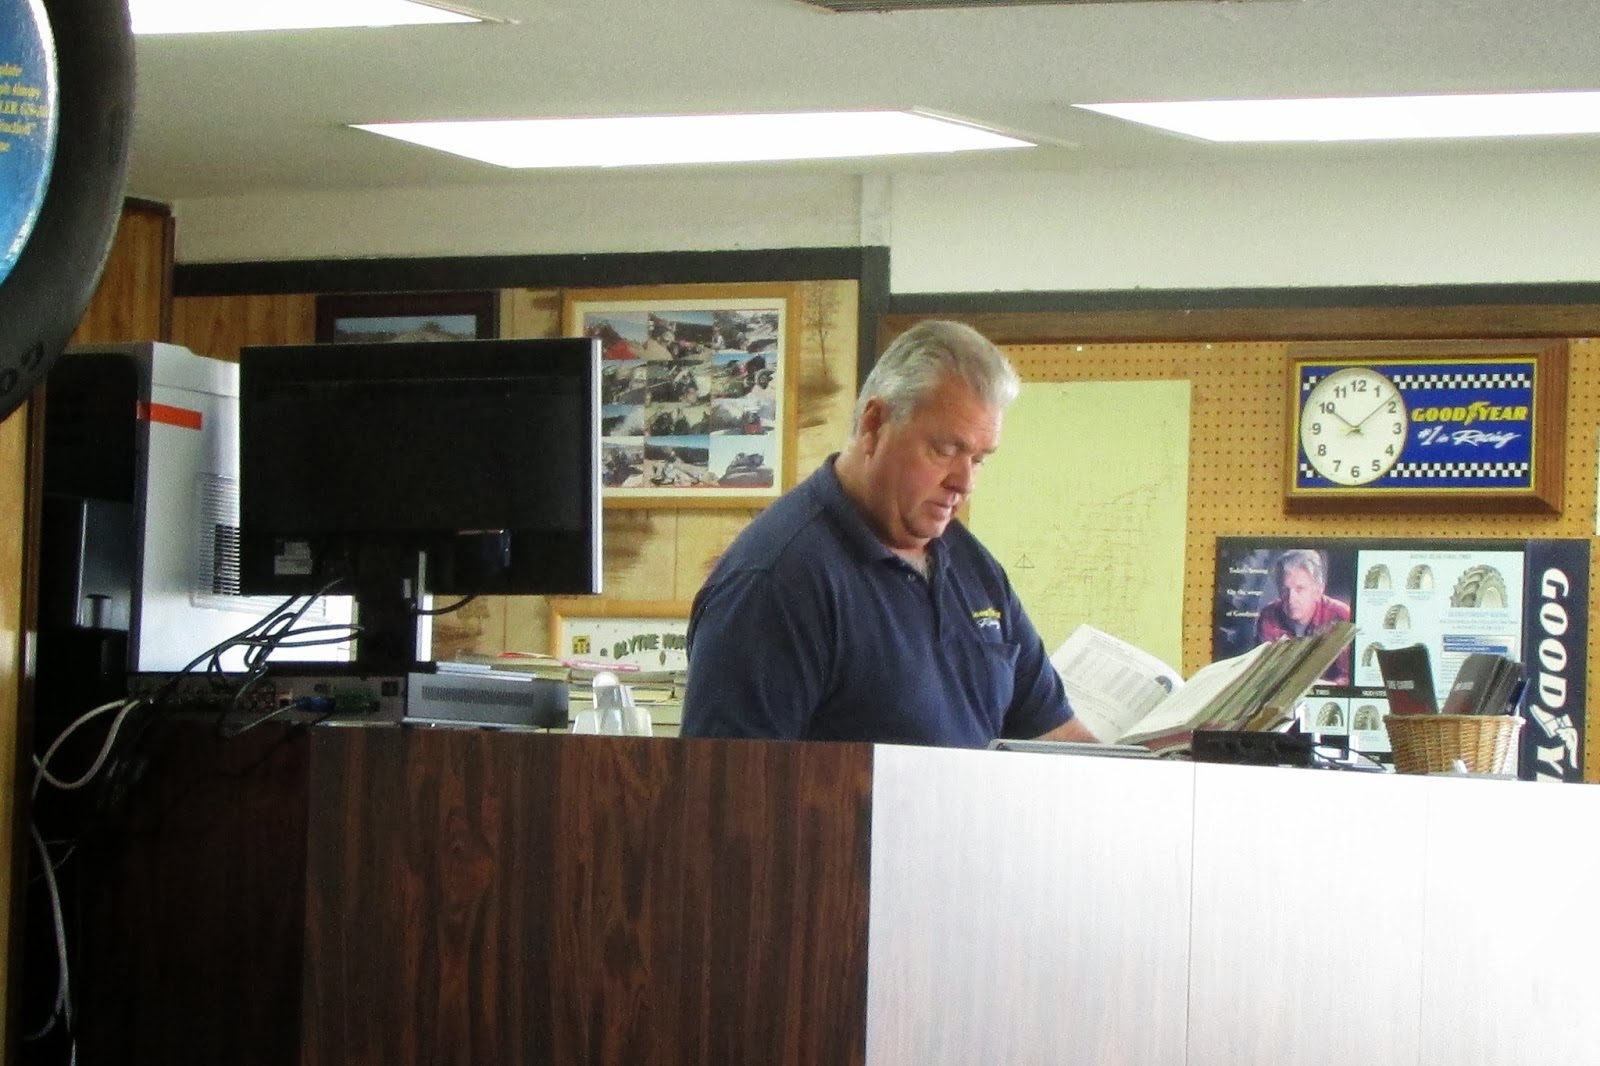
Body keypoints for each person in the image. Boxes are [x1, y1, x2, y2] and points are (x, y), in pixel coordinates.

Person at [681, 320, 1096, 747]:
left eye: (979, 459)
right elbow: (724, 784)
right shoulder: (775, 581)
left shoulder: (972, 567)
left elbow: (1056, 731)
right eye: (945, 450)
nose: (964, 482)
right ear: (874, 424)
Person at [1254, 548, 1353, 683]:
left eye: (1300, 589)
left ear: (1318, 590)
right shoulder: (1268, 616)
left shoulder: (1342, 616)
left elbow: (1349, 676)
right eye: (1285, 590)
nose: (1291, 599)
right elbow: (1266, 674)